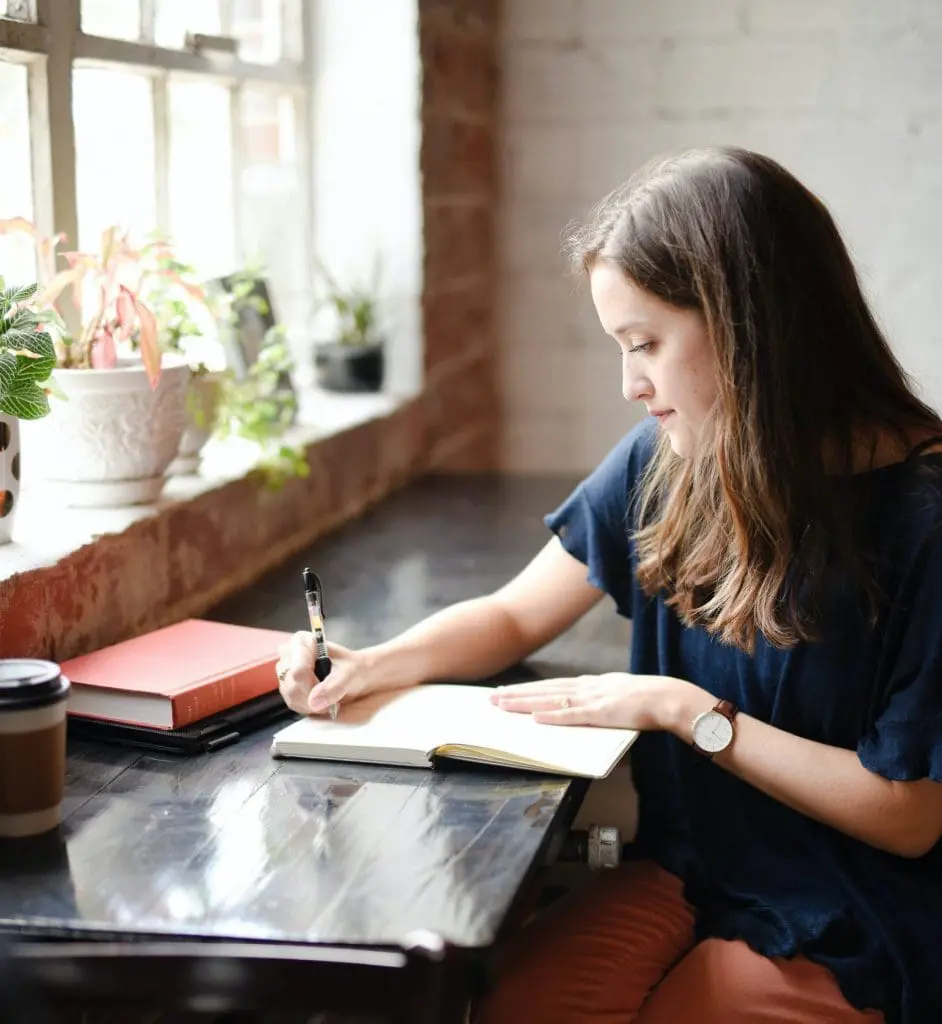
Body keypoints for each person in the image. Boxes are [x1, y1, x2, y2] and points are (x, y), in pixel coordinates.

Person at [276, 146, 942, 1024]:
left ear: (751, 325)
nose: (631, 384)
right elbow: (517, 612)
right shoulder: (673, 458)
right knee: (511, 1007)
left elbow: (906, 815)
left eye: (646, 345)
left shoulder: (924, 521)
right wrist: (375, 665)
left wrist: (683, 708)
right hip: (691, 868)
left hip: (862, 905)